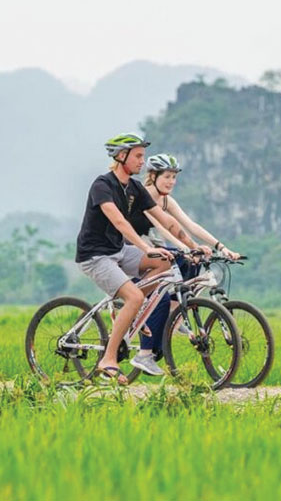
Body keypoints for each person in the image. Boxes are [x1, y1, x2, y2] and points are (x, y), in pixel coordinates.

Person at [74, 133, 199, 384]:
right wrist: (145, 247)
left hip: (118, 252)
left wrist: (195, 247)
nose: (143, 162)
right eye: (138, 156)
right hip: (95, 255)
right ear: (122, 157)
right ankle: (108, 359)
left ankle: (136, 308)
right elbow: (119, 222)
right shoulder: (102, 185)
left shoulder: (135, 188)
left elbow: (168, 222)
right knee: (134, 295)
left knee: (166, 262)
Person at [123, 153, 241, 373]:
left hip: (153, 249)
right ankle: (146, 351)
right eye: (167, 176)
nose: (171, 182)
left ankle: (175, 316)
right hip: (132, 250)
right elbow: (167, 228)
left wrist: (222, 247)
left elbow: (189, 225)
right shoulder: (144, 196)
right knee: (177, 269)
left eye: (174, 177)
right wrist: (187, 249)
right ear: (153, 176)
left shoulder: (166, 200)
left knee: (191, 266)